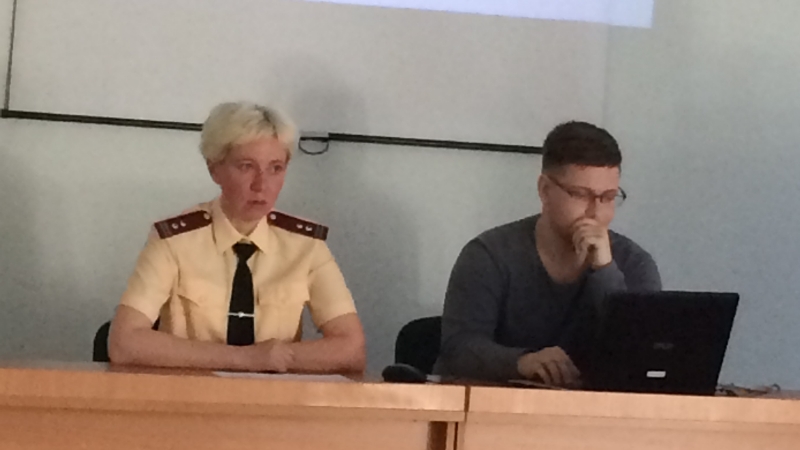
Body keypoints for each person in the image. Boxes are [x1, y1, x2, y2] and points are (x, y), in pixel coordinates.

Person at [109, 101, 365, 374]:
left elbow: (352, 349)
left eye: (276, 168)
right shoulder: (173, 241)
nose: (261, 184)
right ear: (214, 169)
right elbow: (124, 342)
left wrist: (281, 357)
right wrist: (244, 359)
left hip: (275, 398)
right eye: (246, 166)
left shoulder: (306, 245)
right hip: (193, 395)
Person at [433, 121, 661, 386]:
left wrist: (605, 271)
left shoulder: (635, 264)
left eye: (608, 197)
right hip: (501, 403)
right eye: (580, 195)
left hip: (598, 408)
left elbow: (641, 355)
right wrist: (521, 362)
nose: (596, 212)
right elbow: (458, 349)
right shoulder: (489, 255)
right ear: (544, 190)